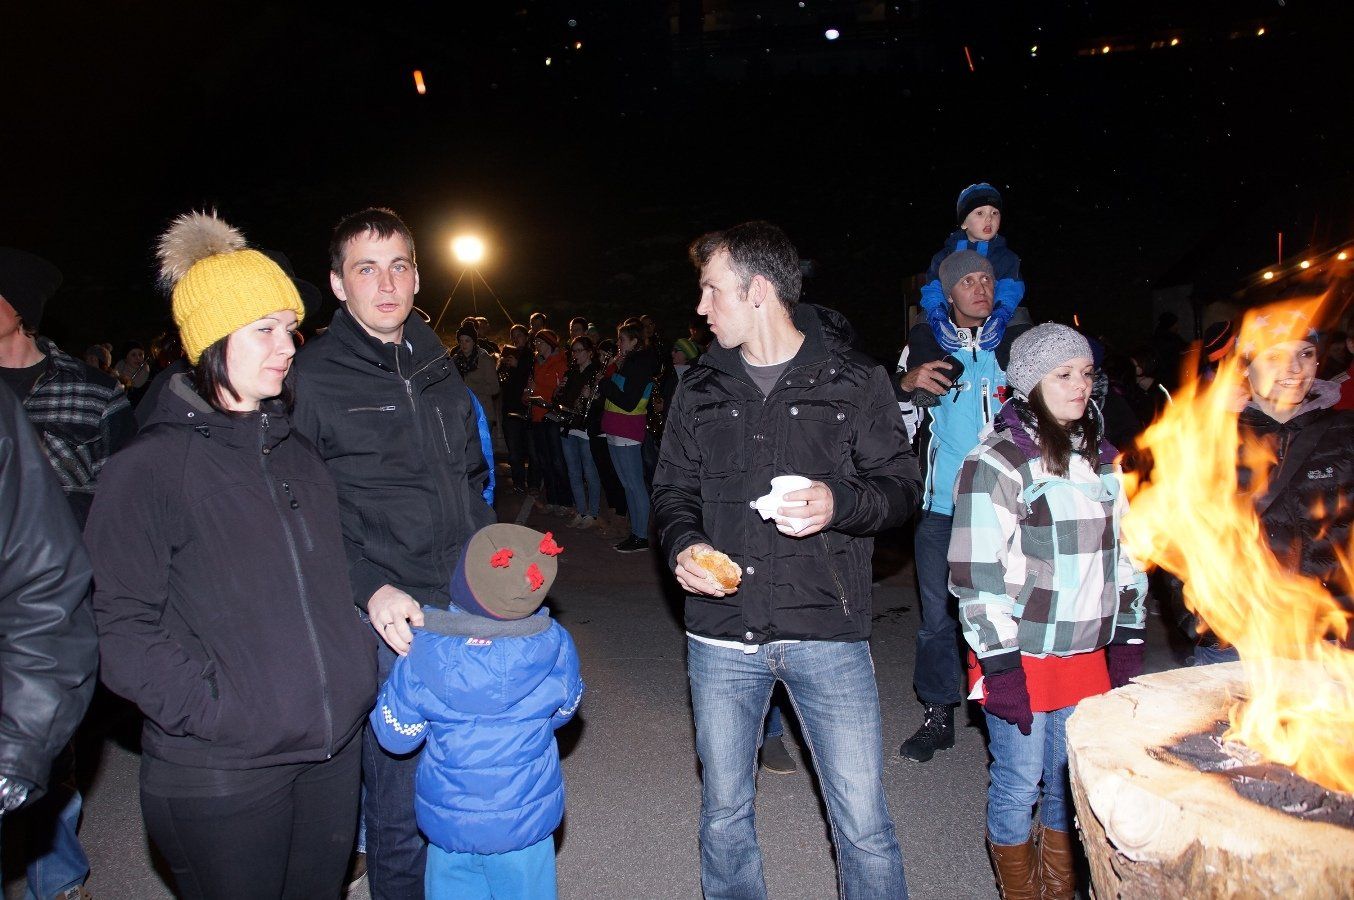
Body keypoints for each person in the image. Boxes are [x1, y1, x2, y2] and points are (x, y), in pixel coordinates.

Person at [85, 211, 377, 899]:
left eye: (291, 328)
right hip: (224, 770)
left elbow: (328, 577)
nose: (288, 346)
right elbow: (118, 625)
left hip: (331, 753)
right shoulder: (150, 467)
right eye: (264, 330)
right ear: (213, 339)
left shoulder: (299, 454)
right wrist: (216, 710)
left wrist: (355, 656)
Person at [654, 221, 919, 899]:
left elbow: (901, 488)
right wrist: (683, 544)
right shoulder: (699, 387)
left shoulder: (855, 380)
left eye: (712, 291)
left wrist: (840, 501)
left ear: (758, 290)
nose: (701, 307)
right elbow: (671, 492)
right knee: (724, 814)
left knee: (863, 825)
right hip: (721, 635)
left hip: (826, 630)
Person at [293, 207, 495, 900]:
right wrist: (368, 586)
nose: (386, 284)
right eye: (366, 269)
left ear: (417, 276)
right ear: (338, 284)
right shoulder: (311, 377)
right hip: (384, 618)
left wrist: (492, 569)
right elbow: (296, 510)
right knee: (399, 803)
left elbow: (470, 478)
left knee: (469, 785)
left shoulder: (439, 364)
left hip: (462, 602)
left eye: (399, 266)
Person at [948, 323, 1147, 900]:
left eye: (1086, 373)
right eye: (1063, 374)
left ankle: (1059, 890)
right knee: (1019, 783)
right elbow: (975, 576)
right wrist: (1001, 666)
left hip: (1086, 652)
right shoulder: (998, 462)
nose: (1079, 385)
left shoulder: (1105, 461)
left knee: (1068, 786)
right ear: (1031, 384)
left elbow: (1129, 556)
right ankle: (1021, 892)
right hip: (1020, 652)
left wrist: (1128, 637)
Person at [0, 248, 131, 900]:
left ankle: (57, 879)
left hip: (58, 598)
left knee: (53, 748)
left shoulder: (93, 389)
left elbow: (128, 498)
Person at [371, 524, 583, 899]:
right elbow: (565, 710)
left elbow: (397, 737)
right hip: (524, 824)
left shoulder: (421, 650)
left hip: (449, 824)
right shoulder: (554, 644)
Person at [896, 249, 1029, 764]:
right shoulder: (926, 346)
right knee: (937, 620)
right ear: (948, 293)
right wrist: (904, 385)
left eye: (987, 280)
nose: (980, 289)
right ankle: (938, 713)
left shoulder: (1014, 345)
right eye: (968, 281)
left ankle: (1010, 710)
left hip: (1009, 508)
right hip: (942, 508)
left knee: (1012, 613)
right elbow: (895, 418)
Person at [1182, 307, 1354, 664]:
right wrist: (1203, 619)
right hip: (1238, 640)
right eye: (1274, 356)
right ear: (1246, 365)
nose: (1295, 369)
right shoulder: (1211, 436)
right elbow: (1177, 534)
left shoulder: (1344, 433)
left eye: (1305, 354)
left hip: (1329, 635)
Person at [0, 380, 99, 900]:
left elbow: (43, 579)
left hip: (26, 625)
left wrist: (21, 746)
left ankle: (58, 880)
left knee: (51, 761)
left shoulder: (80, 384)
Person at [916, 183, 1024, 356]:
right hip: (953, 316)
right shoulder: (945, 256)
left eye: (994, 213)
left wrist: (1000, 315)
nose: (989, 219)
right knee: (923, 321)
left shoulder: (1005, 257)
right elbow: (932, 287)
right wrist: (938, 316)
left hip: (993, 315)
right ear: (964, 223)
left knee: (1019, 317)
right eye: (980, 213)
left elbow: (1010, 288)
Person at [600, 322, 660, 552]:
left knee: (635, 484)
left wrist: (605, 384)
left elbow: (628, 402)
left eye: (622, 339)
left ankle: (641, 535)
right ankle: (635, 532)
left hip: (627, 428)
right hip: (616, 427)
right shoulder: (626, 362)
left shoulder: (640, 364)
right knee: (627, 484)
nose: (618, 343)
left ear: (634, 341)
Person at [556, 336, 604, 528]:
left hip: (585, 426)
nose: (575, 355)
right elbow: (562, 399)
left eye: (579, 351)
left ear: (589, 352)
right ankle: (581, 510)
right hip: (568, 424)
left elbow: (602, 402)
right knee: (573, 471)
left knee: (590, 471)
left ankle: (593, 513)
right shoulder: (571, 371)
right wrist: (559, 390)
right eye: (573, 351)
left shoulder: (597, 373)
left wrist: (592, 395)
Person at [526, 329, 572, 515]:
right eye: (536, 342)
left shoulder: (560, 363)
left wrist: (537, 389)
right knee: (544, 460)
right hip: (537, 416)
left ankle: (565, 501)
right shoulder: (537, 363)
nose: (537, 345)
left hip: (552, 417)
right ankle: (552, 499)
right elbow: (531, 389)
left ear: (550, 344)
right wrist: (528, 393)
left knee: (557, 460)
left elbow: (559, 391)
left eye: (541, 342)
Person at [454, 324, 501, 450]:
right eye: (461, 341)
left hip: (482, 412)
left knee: (481, 451)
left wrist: (471, 388)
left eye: (467, 341)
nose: (463, 344)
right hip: (463, 413)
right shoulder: (456, 360)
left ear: (474, 341)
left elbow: (495, 388)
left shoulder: (485, 360)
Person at [501, 324, 536, 493]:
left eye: (519, 335)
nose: (516, 339)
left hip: (526, 409)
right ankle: (518, 483)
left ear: (526, 337)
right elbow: (502, 382)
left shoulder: (531, 356)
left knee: (532, 450)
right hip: (510, 408)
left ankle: (534, 483)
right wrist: (501, 365)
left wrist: (518, 366)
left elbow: (530, 378)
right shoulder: (508, 354)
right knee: (514, 451)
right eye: (513, 336)